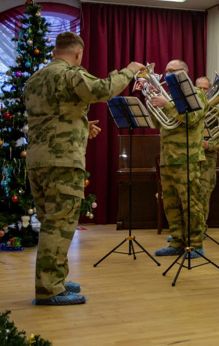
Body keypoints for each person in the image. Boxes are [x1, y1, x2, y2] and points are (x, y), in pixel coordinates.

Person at [24, 32, 142, 305]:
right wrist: (130, 71)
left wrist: (80, 126)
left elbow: (50, 115)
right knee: (60, 225)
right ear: (78, 54)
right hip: (62, 161)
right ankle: (49, 289)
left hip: (38, 160)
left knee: (51, 223)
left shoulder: (34, 79)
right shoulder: (70, 74)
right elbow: (102, 89)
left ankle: (57, 279)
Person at [149, 60, 208, 259]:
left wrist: (167, 104)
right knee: (171, 204)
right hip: (168, 158)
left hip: (187, 158)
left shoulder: (197, 94)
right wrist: (153, 103)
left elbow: (191, 118)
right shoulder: (169, 96)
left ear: (184, 72)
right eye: (165, 71)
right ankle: (176, 241)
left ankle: (195, 244)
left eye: (171, 71)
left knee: (190, 203)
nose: (166, 74)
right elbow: (157, 122)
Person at [195, 76, 219, 227]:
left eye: (205, 88)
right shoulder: (188, 110)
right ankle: (185, 232)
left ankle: (199, 230)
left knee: (203, 195)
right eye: (199, 88)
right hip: (189, 159)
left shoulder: (216, 113)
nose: (202, 91)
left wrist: (208, 144)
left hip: (207, 160)